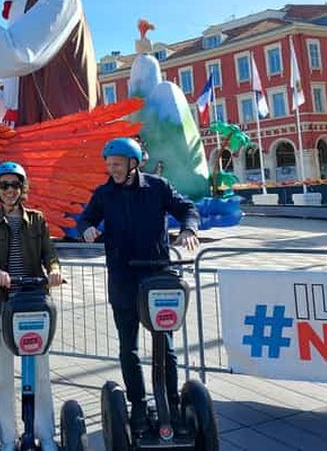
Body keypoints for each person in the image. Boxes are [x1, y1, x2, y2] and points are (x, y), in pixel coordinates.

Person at [80, 137, 199, 436]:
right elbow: (85, 219)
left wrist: (188, 229)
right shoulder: (104, 193)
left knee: (165, 345)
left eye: (117, 165)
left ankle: (170, 404)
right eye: (109, 165)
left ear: (134, 163)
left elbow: (187, 208)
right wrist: (88, 230)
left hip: (157, 275)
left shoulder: (158, 187)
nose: (112, 170)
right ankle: (137, 405)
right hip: (122, 277)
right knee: (128, 347)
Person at [0, 161, 63, 451]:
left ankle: (45, 434)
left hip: (32, 301)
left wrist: (53, 270)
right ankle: (6, 437)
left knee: (39, 370)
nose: (10, 190)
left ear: (22, 188)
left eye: (15, 185)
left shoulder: (37, 220)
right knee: (1, 373)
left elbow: (50, 254)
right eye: (4, 185)